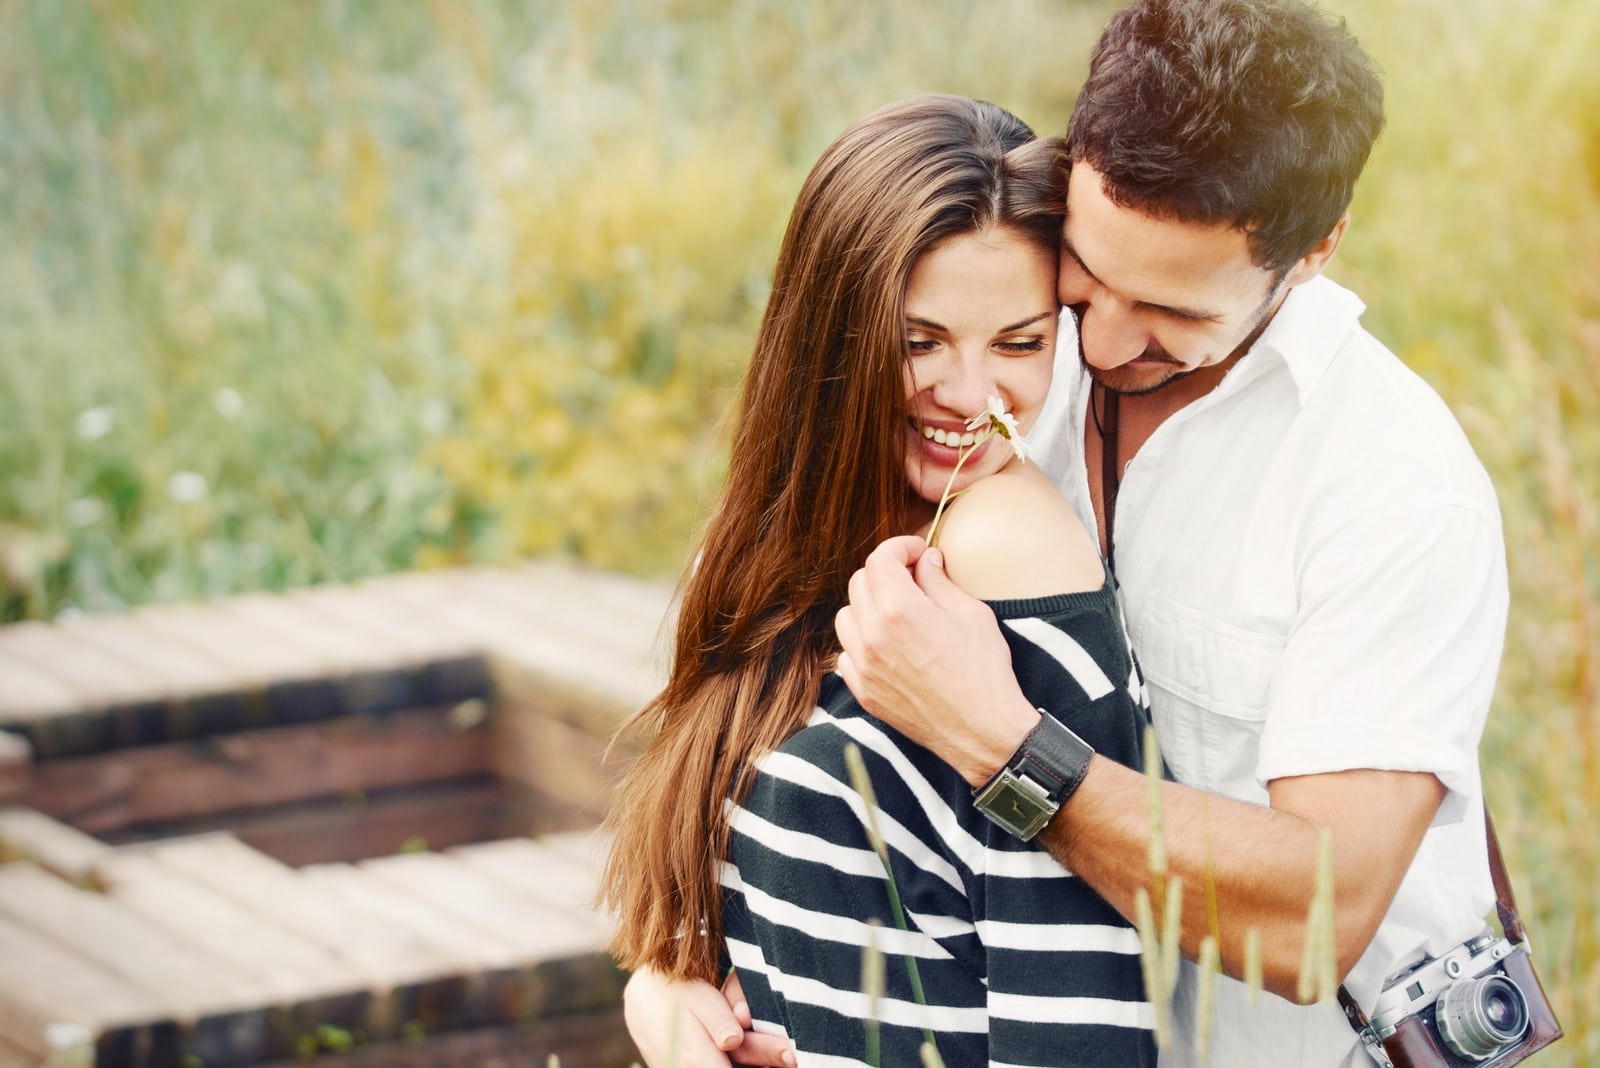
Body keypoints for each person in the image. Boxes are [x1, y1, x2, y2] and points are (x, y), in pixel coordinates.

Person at [632, 1, 1510, 1066]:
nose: (1103, 339)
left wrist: (998, 740)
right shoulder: (1004, 349)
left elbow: (1314, 918)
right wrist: (679, 969)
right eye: (1085, 277)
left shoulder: (1391, 487)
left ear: (1314, 252)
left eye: (1173, 313)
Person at [599, 95, 1158, 1067]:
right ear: (829, 340)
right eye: (919, 341)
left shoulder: (1003, 555)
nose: (973, 397)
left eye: (1019, 344)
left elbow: (1083, 1014)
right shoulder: (782, 548)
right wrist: (661, 995)